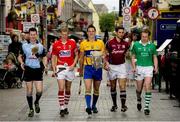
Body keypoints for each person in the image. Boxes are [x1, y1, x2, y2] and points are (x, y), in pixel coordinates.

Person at [18, 28, 47, 117]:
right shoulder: (24, 45)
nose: (33, 36)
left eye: (34, 34)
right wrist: (22, 63)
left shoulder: (41, 46)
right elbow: (19, 56)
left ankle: (36, 102)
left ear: (36, 35)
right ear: (29, 35)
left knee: (39, 91)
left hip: (38, 70)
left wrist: (45, 66)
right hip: (28, 70)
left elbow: (44, 57)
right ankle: (31, 109)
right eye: (31, 34)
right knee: (29, 91)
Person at [51, 25, 78, 117]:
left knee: (68, 89)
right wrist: (54, 69)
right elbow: (54, 57)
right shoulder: (56, 44)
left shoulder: (72, 43)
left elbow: (76, 55)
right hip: (60, 68)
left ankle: (66, 106)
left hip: (70, 68)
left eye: (66, 34)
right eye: (63, 34)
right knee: (61, 88)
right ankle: (62, 108)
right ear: (60, 34)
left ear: (68, 34)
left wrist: (73, 65)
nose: (64, 36)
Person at [131, 29, 158, 115]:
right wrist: (134, 67)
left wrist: (155, 67)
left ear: (148, 37)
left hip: (149, 68)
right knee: (139, 89)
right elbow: (133, 57)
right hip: (139, 68)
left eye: (146, 37)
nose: (144, 38)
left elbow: (154, 57)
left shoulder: (152, 46)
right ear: (141, 36)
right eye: (143, 36)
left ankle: (146, 107)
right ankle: (139, 99)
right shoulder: (135, 45)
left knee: (147, 86)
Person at [79, 25, 105, 115]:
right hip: (88, 68)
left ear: (95, 32)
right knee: (88, 88)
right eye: (89, 31)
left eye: (92, 31)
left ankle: (94, 105)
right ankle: (88, 107)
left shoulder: (101, 43)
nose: (91, 32)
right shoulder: (83, 43)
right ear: (87, 33)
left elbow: (104, 55)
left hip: (97, 67)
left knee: (96, 89)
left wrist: (105, 63)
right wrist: (80, 69)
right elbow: (81, 58)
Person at [104, 26, 129, 112]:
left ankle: (123, 106)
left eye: (122, 32)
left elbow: (127, 54)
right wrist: (106, 63)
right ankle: (114, 105)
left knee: (122, 86)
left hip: (121, 66)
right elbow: (105, 54)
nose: (121, 34)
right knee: (113, 87)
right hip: (112, 66)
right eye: (120, 32)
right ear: (116, 32)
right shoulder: (110, 43)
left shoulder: (126, 44)